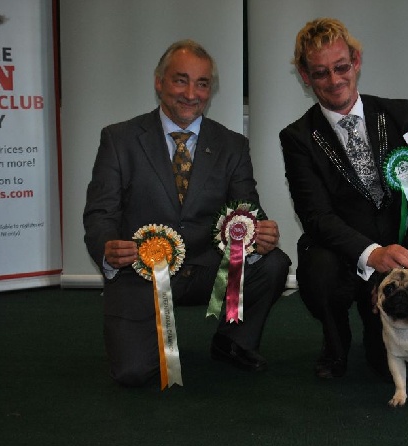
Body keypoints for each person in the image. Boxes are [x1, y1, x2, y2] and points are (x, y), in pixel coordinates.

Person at [83, 39, 291, 387]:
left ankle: (232, 342)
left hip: (209, 269)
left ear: (211, 90)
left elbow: (247, 211)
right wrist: (108, 247)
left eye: (202, 83)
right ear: (159, 81)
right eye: (181, 80)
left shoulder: (232, 145)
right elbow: (100, 212)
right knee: (134, 374)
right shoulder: (119, 139)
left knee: (273, 264)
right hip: (141, 272)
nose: (191, 93)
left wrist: (261, 233)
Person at [279, 18, 408, 379]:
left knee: (390, 370)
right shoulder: (296, 138)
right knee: (318, 268)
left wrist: (407, 266)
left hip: (400, 256)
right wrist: (372, 254)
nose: (335, 80)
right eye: (321, 73)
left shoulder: (402, 113)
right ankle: (335, 336)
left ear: (356, 61)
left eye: (341, 67)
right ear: (305, 75)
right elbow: (315, 216)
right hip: (343, 257)